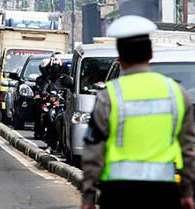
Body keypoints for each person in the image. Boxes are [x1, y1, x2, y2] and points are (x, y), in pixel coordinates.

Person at [82, 16, 195, 209]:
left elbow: (94, 148)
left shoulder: (108, 95)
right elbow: (188, 148)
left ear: (120, 58)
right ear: (151, 54)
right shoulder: (176, 93)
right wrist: (186, 192)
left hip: (118, 193)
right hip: (164, 191)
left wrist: (88, 196)